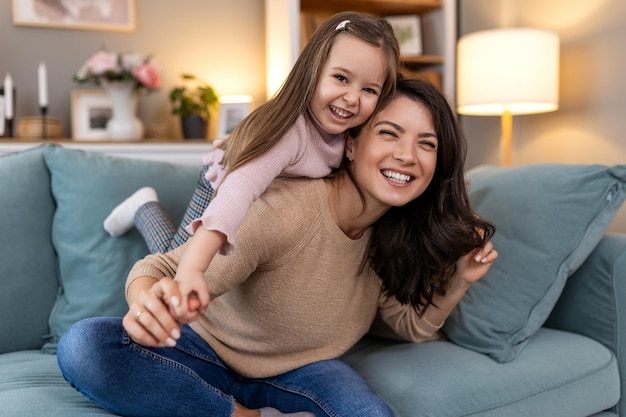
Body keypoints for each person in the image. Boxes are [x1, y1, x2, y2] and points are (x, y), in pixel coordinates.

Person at [57, 76, 498, 417]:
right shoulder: (287, 212)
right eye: (389, 133)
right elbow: (161, 268)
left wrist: (459, 280)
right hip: (206, 353)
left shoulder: (393, 234)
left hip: (303, 371)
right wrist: (143, 299)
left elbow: (410, 326)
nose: (407, 155)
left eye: (427, 144)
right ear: (351, 145)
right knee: (86, 346)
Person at [102, 11, 400, 318]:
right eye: (341, 78)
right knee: (173, 260)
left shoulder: (351, 138)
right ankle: (144, 207)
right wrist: (192, 270)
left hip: (259, 192)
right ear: (313, 71)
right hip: (223, 180)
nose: (352, 98)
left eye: (369, 90)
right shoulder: (290, 134)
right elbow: (239, 191)